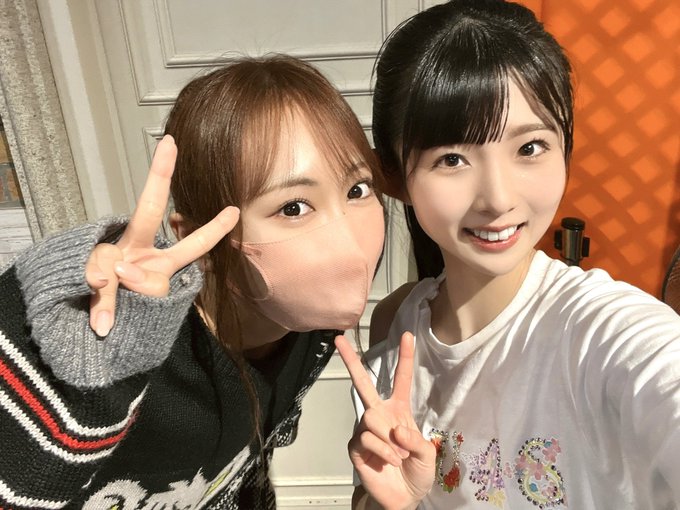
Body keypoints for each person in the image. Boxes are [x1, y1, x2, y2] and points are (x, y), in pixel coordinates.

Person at [334, 1, 680, 508]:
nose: (498, 199)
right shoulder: (396, 327)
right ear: (393, 177)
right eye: (452, 158)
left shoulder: (606, 334)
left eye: (529, 147)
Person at [0, 55, 385, 509]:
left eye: (357, 190)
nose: (349, 242)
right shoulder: (129, 353)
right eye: (293, 207)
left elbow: (246, 466)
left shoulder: (312, 330)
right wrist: (78, 359)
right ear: (197, 239)